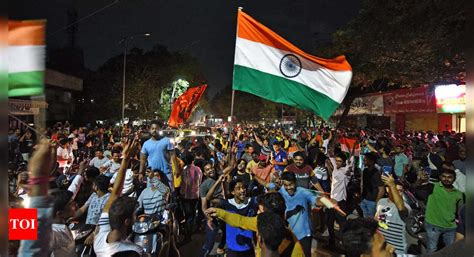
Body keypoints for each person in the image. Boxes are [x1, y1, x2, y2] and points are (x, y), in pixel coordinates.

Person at [205, 192, 306, 257]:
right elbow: (241, 221)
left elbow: (241, 221)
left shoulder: (294, 249)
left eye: (261, 210)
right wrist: (219, 212)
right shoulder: (261, 221)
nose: (257, 212)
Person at [93, 138, 145, 256]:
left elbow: (115, 193)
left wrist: (125, 159)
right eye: (134, 215)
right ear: (127, 221)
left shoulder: (99, 239)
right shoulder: (134, 251)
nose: (135, 217)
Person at [424, 166, 465, 253]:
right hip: (433, 224)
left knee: (451, 250)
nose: (446, 179)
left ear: (454, 179)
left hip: (450, 227)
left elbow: (460, 211)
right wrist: (420, 179)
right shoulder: (433, 187)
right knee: (432, 249)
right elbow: (418, 186)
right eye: (444, 176)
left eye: (449, 177)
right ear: (440, 177)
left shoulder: (458, 194)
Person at [216, 178, 258, 257]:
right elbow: (208, 198)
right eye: (238, 188)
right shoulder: (227, 204)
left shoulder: (252, 201)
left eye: (243, 187)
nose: (242, 190)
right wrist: (218, 181)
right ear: (232, 192)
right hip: (233, 249)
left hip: (249, 247)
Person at [140, 121, 175, 188]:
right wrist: (141, 173)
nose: (154, 130)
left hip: (166, 174)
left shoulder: (167, 141)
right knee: (152, 195)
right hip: (152, 175)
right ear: (149, 130)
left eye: (156, 128)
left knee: (166, 194)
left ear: (160, 129)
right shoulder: (146, 144)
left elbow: (173, 155)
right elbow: (143, 160)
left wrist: (176, 169)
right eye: (152, 128)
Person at [179, 152, 203, 242]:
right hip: (195, 195)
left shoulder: (184, 170)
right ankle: (190, 230)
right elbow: (199, 182)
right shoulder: (198, 169)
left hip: (186, 196)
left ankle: (188, 234)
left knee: (188, 215)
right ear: (193, 160)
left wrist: (181, 194)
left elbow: (184, 184)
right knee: (192, 214)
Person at [360, 152, 385, 218]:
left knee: (371, 222)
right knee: (365, 219)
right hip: (364, 199)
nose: (364, 161)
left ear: (372, 161)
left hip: (371, 202)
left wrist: (376, 202)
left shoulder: (376, 173)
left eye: (366, 159)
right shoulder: (365, 171)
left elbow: (382, 189)